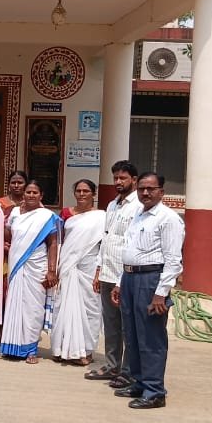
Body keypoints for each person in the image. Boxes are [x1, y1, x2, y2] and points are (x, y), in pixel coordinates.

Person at [112, 172, 184, 409]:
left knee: (150, 337)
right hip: (130, 278)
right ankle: (139, 382)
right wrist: (120, 283)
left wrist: (161, 293)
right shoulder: (138, 215)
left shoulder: (168, 219)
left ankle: (154, 391)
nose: (145, 193)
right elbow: (129, 250)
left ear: (161, 192)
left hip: (151, 280)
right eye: (142, 188)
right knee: (132, 334)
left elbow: (173, 260)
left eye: (151, 189)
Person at [86, 161, 141, 385]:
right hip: (107, 272)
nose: (118, 182)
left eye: (123, 178)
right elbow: (106, 239)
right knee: (111, 325)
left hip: (125, 275)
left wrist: (121, 280)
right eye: (116, 177)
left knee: (128, 327)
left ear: (134, 180)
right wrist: (98, 270)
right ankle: (111, 365)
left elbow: (133, 244)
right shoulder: (112, 204)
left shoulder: (138, 206)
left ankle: (128, 372)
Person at [0, 180, 61, 363]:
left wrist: (52, 270)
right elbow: (9, 236)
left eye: (35, 192)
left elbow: (53, 243)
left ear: (41, 195)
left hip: (37, 266)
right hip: (17, 265)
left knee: (34, 308)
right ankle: (12, 346)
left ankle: (31, 350)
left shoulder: (47, 216)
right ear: (23, 194)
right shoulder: (14, 213)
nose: (31, 195)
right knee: (15, 304)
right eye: (28, 192)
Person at [49, 179, 105, 365]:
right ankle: (60, 348)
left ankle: (86, 351)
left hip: (90, 265)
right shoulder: (66, 214)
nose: (81, 194)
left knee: (91, 307)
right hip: (67, 264)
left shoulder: (102, 217)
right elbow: (59, 240)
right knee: (63, 305)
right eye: (78, 191)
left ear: (93, 194)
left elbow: (104, 245)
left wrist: (99, 271)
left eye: (86, 191)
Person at [0, 170, 28, 348]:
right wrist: (1, 244)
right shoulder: (0, 204)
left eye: (20, 182)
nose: (16, 185)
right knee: (2, 295)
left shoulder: (32, 203)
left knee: (19, 295)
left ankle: (17, 335)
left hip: (23, 254)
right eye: (13, 182)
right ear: (9, 184)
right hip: (3, 255)